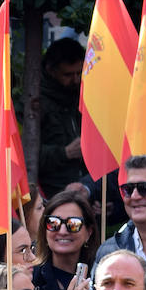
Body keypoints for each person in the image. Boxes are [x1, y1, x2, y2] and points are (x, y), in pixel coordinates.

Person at [33, 189, 98, 290]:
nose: (62, 231)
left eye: (73, 224)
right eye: (53, 223)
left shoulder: (102, 277)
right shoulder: (31, 279)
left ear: (89, 232)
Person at [37, 38, 87, 197]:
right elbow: (24, 157)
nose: (76, 80)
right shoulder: (35, 104)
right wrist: (65, 152)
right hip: (51, 193)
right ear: (50, 70)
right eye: (68, 74)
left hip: (84, 188)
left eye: (79, 73)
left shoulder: (83, 96)